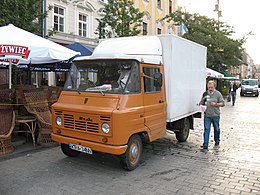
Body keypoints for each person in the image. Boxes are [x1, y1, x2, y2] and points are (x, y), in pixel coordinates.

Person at [200, 80, 225, 150]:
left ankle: (217, 140)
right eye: (209, 87)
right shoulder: (205, 93)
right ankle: (205, 144)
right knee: (206, 129)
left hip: (215, 115)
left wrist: (216, 104)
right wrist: (201, 106)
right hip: (207, 115)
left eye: (211, 87)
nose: (210, 89)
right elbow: (201, 102)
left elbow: (223, 103)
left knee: (216, 129)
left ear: (214, 87)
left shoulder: (218, 94)